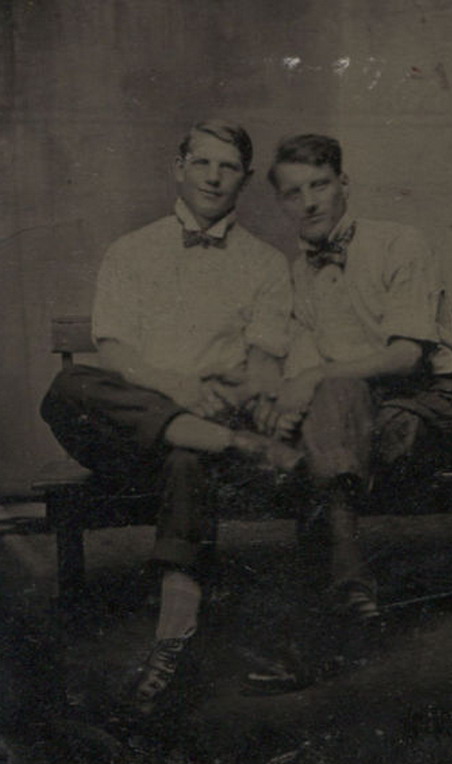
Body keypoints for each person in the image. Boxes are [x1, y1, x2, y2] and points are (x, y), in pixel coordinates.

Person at [40, 119, 300, 717]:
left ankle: (171, 641)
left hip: (212, 426)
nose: (213, 177)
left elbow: (263, 366)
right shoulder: (130, 251)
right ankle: (220, 440)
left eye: (227, 167)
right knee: (68, 386)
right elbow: (117, 353)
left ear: (245, 180)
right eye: (201, 162)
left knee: (188, 458)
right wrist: (178, 388)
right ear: (178, 168)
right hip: (134, 432)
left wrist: (226, 396)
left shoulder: (265, 263)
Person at [247, 133, 452, 689]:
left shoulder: (401, 243)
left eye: (320, 185)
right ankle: (347, 604)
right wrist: (297, 394)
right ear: (280, 203)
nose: (309, 202)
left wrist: (310, 383)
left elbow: (406, 356)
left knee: (317, 441)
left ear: (344, 184)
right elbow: (310, 367)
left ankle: (331, 613)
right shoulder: (297, 274)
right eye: (293, 192)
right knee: (326, 417)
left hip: (434, 407)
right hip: (351, 420)